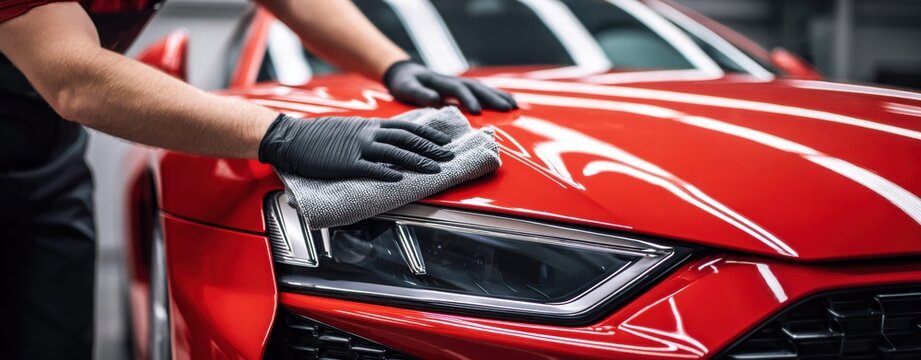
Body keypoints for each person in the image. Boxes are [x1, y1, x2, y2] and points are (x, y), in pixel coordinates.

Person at [0, 0, 516, 358]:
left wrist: (393, 65)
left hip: (49, 160)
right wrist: (283, 135)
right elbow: (73, 78)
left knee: (55, 341)